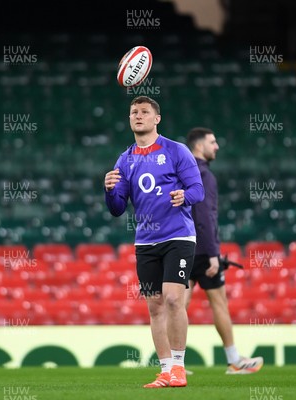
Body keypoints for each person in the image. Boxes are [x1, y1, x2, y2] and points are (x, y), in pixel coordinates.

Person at [104, 96, 204, 388]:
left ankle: (179, 368)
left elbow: (197, 189)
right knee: (155, 306)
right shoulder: (125, 159)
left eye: (145, 112)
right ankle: (165, 370)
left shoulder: (176, 150)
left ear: (156, 118)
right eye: (134, 112)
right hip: (146, 241)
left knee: (174, 298)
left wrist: (184, 196)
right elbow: (117, 208)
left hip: (178, 236)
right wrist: (109, 190)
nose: (138, 116)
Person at [185, 127, 264, 374]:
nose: (217, 146)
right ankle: (234, 360)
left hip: (181, 247)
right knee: (219, 303)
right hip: (201, 250)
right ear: (199, 146)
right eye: (213, 141)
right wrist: (212, 253)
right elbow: (205, 215)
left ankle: (173, 364)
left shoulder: (182, 173)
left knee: (177, 306)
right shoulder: (204, 175)